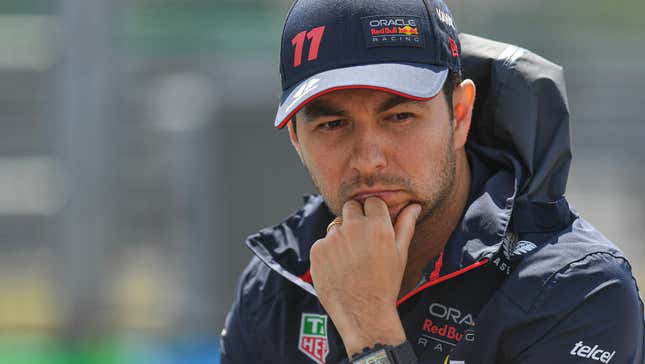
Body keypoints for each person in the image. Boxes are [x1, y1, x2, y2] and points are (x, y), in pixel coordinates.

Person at [220, 0, 645, 363]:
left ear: (460, 115)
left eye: (400, 116)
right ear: (296, 139)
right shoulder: (277, 282)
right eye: (333, 124)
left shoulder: (577, 291)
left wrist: (370, 331)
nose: (368, 160)